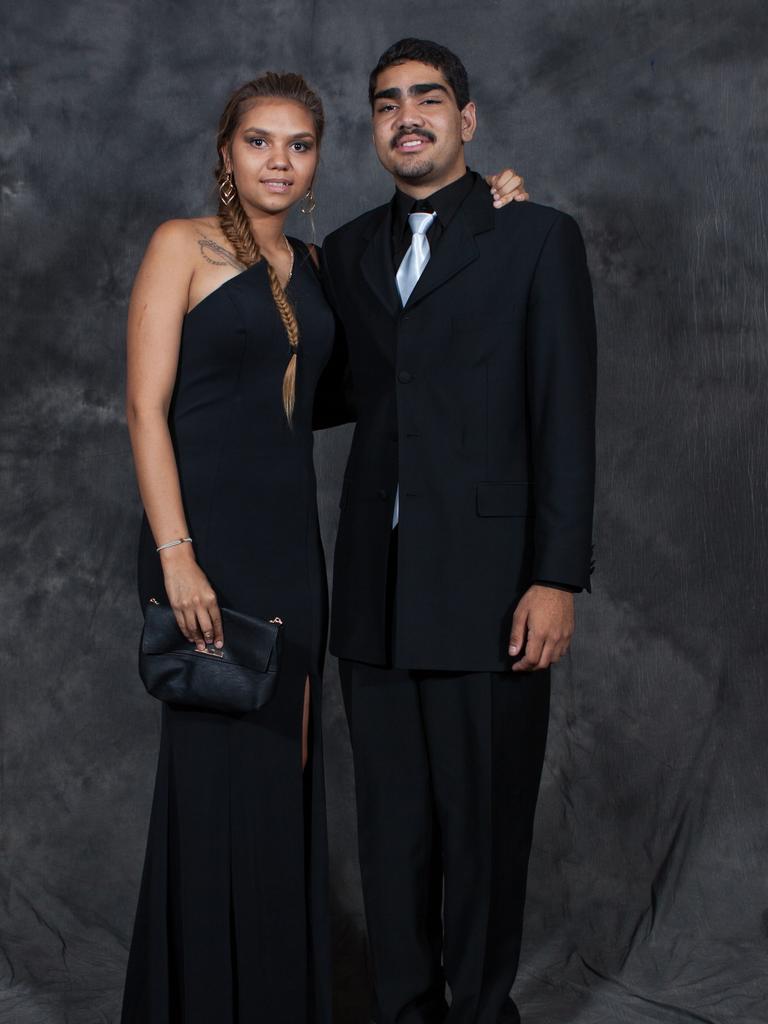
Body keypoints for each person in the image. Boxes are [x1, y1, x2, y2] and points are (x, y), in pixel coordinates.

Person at [120, 69, 526, 1022]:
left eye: (299, 145)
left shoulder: (320, 263)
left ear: (315, 164)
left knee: (284, 779)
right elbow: (143, 409)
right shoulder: (181, 245)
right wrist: (177, 553)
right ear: (227, 149)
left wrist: (488, 209)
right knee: (216, 778)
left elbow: (400, 358)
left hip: (292, 551)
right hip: (202, 539)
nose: (278, 160)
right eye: (259, 140)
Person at [318, 39, 597, 1024]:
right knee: (392, 833)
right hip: (374, 594)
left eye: (427, 99)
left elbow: (564, 412)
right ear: (374, 129)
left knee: (481, 830)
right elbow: (321, 384)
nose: (407, 116)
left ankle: (481, 1012)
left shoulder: (535, 238)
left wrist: (557, 575)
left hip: (492, 590)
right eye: (387, 103)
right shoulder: (348, 251)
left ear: (467, 119)